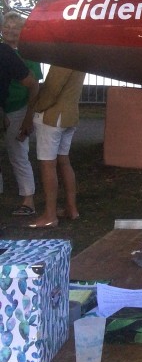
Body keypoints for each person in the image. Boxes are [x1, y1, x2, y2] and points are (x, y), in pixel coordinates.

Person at [26, 65, 85, 228]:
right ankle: (71, 209)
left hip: (53, 117)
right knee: (64, 161)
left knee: (47, 165)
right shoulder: (79, 56)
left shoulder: (63, 57)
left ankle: (50, 215)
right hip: (70, 115)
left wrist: (36, 108)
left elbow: (52, 91)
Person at [2, 12, 43, 216]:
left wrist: (29, 117)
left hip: (19, 109)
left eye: (15, 27)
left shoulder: (29, 54)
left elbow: (35, 86)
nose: (9, 31)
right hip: (2, 108)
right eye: (6, 26)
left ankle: (28, 200)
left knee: (18, 153)